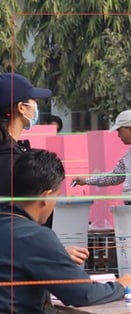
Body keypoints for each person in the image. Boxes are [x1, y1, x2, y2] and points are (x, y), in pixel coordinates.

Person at [0, 149, 131, 314]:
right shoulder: (35, 236)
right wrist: (120, 286)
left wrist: (56, 255)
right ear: (46, 196)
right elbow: (82, 294)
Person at [0, 72, 88, 266]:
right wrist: (49, 254)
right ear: (21, 107)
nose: (36, 106)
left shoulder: (16, 155)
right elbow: (17, 229)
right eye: (34, 101)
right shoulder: (16, 163)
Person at [73, 110, 131, 204]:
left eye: (119, 131)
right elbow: (115, 176)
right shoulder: (129, 154)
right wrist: (87, 181)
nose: (118, 135)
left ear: (130, 129)